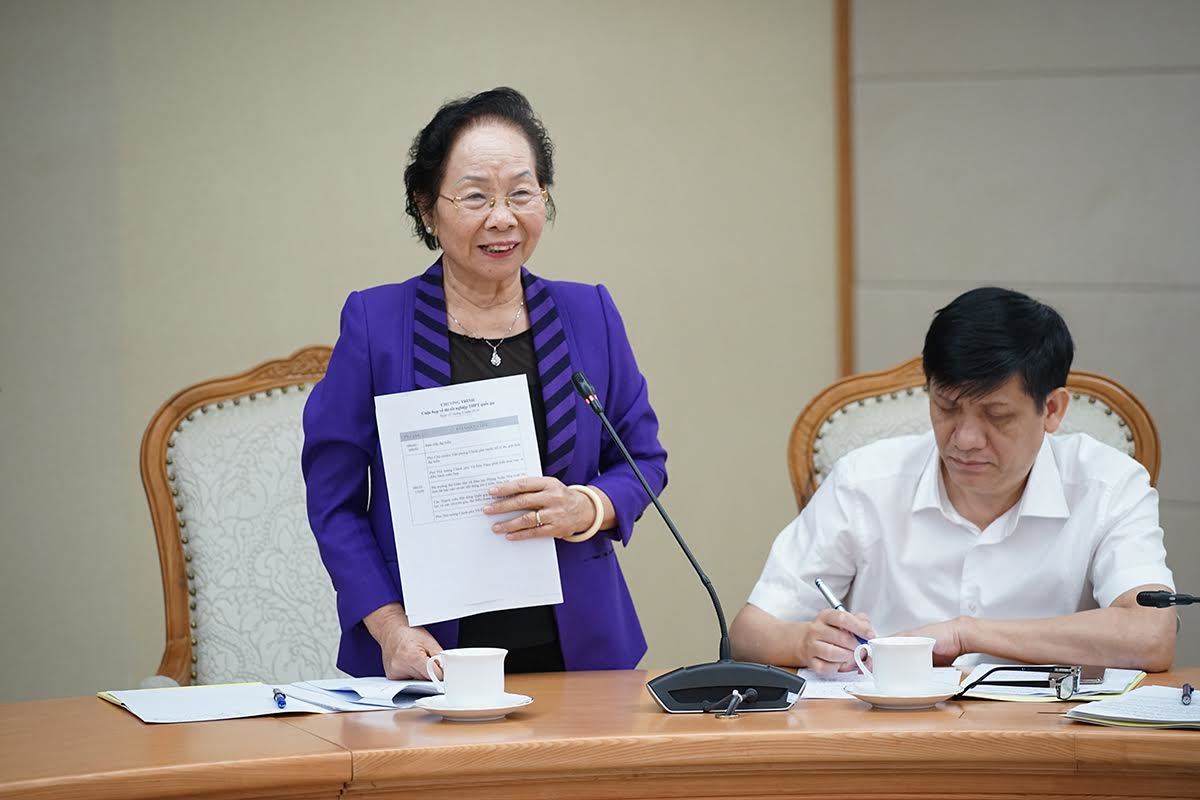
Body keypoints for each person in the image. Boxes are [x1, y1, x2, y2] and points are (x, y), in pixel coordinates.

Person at [302, 88, 667, 679]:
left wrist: (588, 505)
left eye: (522, 193)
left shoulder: (589, 313)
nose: (503, 218)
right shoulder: (376, 324)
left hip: (581, 654)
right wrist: (390, 627)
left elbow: (642, 459)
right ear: (427, 208)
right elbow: (334, 501)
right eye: (475, 197)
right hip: (431, 657)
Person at [730, 287, 1176, 673]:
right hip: (884, 740)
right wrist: (805, 643)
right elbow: (749, 633)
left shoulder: (1108, 483)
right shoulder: (866, 479)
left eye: (996, 415)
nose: (964, 439)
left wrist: (969, 635)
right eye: (946, 408)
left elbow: (1150, 633)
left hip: (1049, 745)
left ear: (1053, 410)